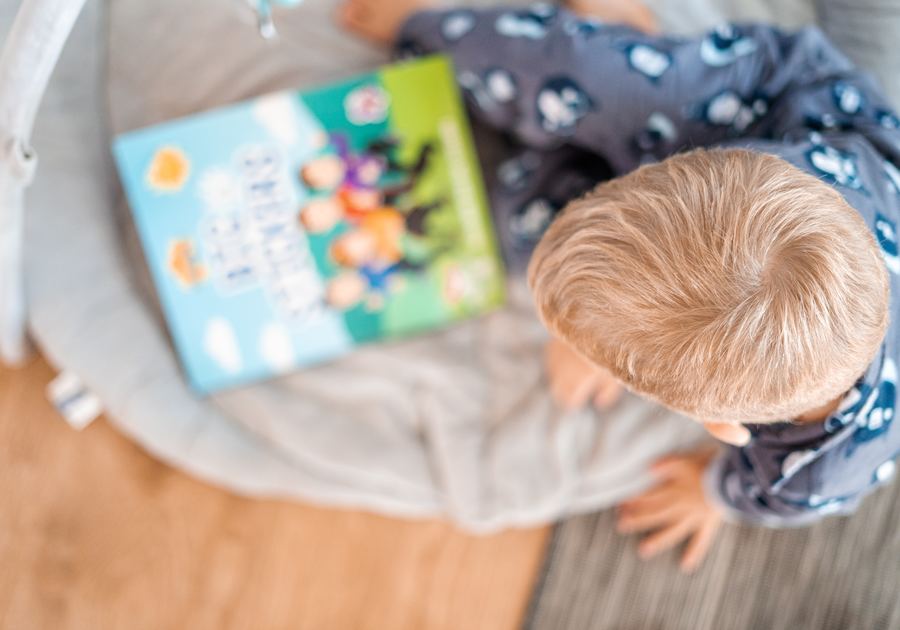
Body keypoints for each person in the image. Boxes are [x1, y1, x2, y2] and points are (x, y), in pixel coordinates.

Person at [338, 0, 900, 571]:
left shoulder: (828, 469)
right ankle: (633, 47)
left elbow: (772, 498)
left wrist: (713, 495)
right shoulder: (761, 180)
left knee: (515, 219)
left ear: (724, 428)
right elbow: (551, 60)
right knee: (593, 71)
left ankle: (627, 56)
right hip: (801, 113)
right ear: (687, 167)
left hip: (778, 188)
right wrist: (421, 27)